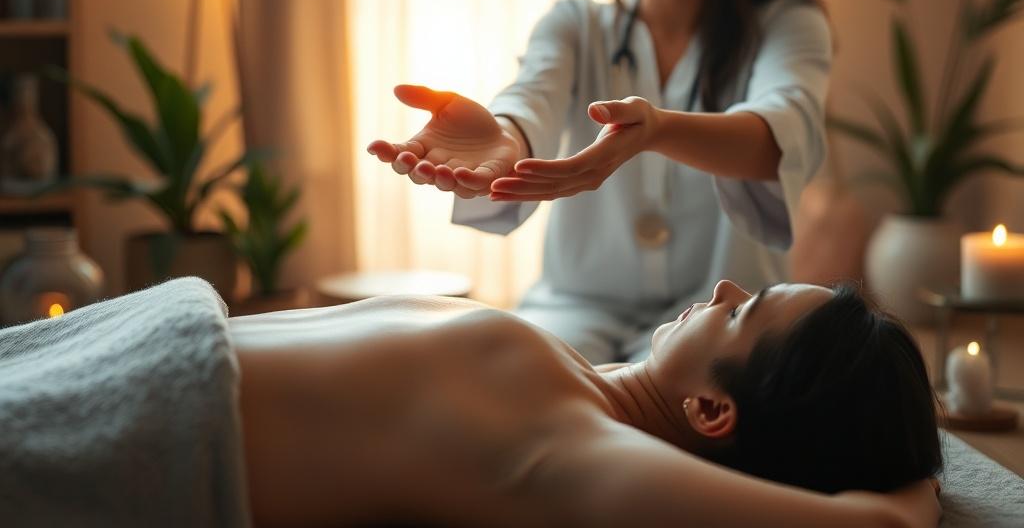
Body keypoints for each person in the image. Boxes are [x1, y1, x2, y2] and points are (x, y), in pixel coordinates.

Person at [367, 0, 832, 364]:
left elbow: (780, 135)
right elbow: (531, 97)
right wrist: (506, 136)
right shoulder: (577, 26)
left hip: (719, 318)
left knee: (696, 413)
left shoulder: (789, 24)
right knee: (507, 377)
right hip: (575, 308)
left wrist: (655, 130)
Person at [232, 279, 942, 527]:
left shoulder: (570, 442)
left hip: (152, 410)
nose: (722, 289)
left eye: (739, 313)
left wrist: (923, 481)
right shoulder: (581, 385)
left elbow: (876, 525)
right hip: (159, 331)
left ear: (710, 411)